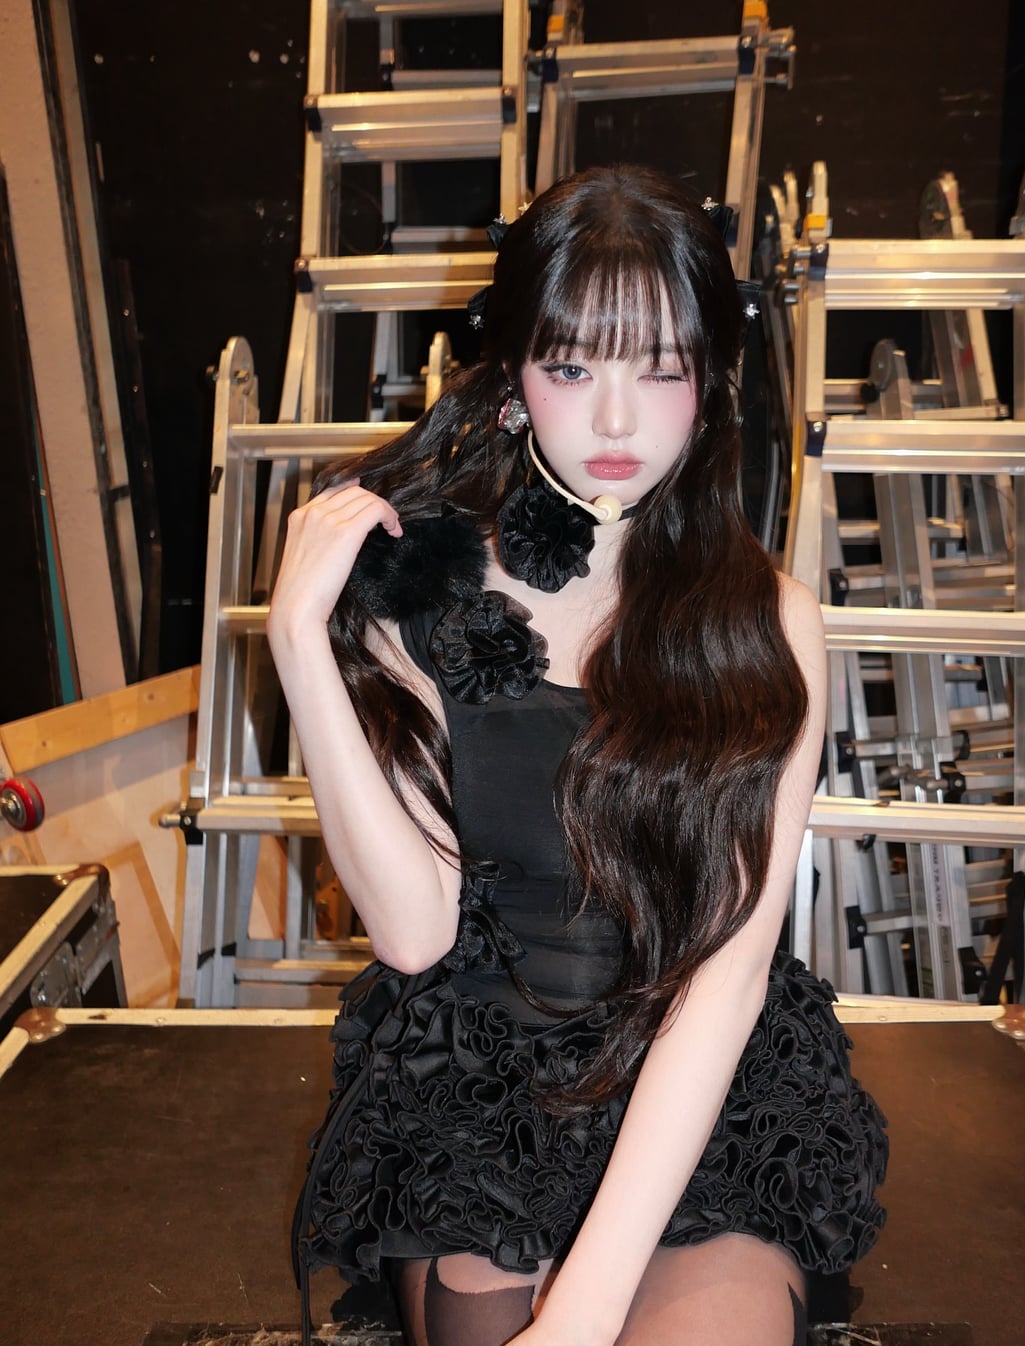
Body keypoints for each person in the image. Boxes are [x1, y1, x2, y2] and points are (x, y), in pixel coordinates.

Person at [270, 164, 887, 1346]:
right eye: (571, 368)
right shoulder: (423, 595)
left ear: (710, 384)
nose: (614, 421)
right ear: (511, 376)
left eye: (659, 369)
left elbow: (725, 974)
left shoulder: (771, 623)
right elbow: (414, 932)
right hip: (484, 1100)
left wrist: (586, 1304)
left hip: (700, 1101)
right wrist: (301, 636)